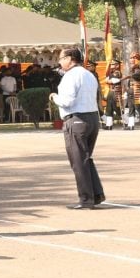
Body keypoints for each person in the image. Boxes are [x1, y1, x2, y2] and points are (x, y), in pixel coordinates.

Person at [49, 48, 105, 208]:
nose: (59, 62)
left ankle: (86, 199)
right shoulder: (89, 74)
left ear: (70, 59)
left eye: (61, 58)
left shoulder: (70, 76)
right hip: (92, 118)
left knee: (79, 161)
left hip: (77, 119)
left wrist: (54, 97)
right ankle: (95, 194)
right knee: (85, 158)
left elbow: (67, 101)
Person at [103, 61, 124, 130]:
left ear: (117, 65)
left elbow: (112, 81)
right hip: (111, 92)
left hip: (116, 93)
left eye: (113, 64)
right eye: (111, 64)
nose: (111, 65)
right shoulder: (111, 73)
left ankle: (128, 122)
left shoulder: (117, 73)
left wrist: (108, 81)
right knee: (109, 109)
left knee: (118, 109)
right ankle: (109, 125)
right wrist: (108, 81)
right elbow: (106, 80)